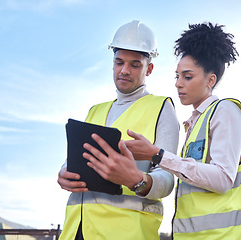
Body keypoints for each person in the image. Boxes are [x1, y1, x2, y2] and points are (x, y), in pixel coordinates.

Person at [85, 22, 241, 239]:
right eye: (177, 76)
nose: (178, 84)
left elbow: (223, 179)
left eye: (187, 77)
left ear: (210, 80)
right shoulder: (196, 125)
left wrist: (157, 155)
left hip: (228, 235)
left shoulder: (225, 110)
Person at [57, 20, 180, 240]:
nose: (124, 70)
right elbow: (76, 159)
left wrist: (138, 180)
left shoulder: (162, 108)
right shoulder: (95, 111)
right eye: (119, 62)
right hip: (76, 230)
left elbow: (169, 178)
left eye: (135, 64)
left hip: (125, 232)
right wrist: (65, 172)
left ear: (149, 69)